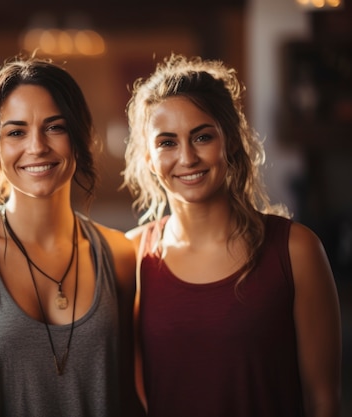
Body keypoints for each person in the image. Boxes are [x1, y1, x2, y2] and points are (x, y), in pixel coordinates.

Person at [0, 57, 141, 417]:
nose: (37, 147)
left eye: (54, 127)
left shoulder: (119, 254)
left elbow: (128, 398)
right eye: (16, 132)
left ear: (78, 137)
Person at [123, 53, 342, 417]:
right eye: (167, 142)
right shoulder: (130, 256)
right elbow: (133, 397)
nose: (187, 157)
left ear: (232, 142)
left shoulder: (296, 250)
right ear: (148, 157)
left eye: (202, 136)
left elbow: (324, 401)